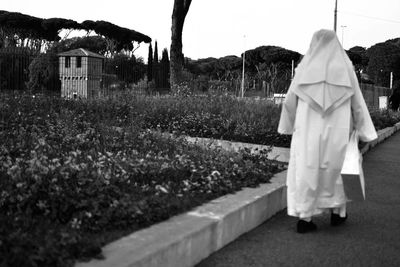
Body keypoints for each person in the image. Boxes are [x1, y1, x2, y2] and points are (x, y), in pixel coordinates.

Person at [278, 29, 377, 233]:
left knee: (307, 172)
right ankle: (338, 214)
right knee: (338, 171)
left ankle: (305, 218)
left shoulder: (304, 68)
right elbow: (357, 102)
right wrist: (366, 132)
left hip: (307, 133)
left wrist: (286, 127)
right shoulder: (346, 68)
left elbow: (289, 101)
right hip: (339, 131)